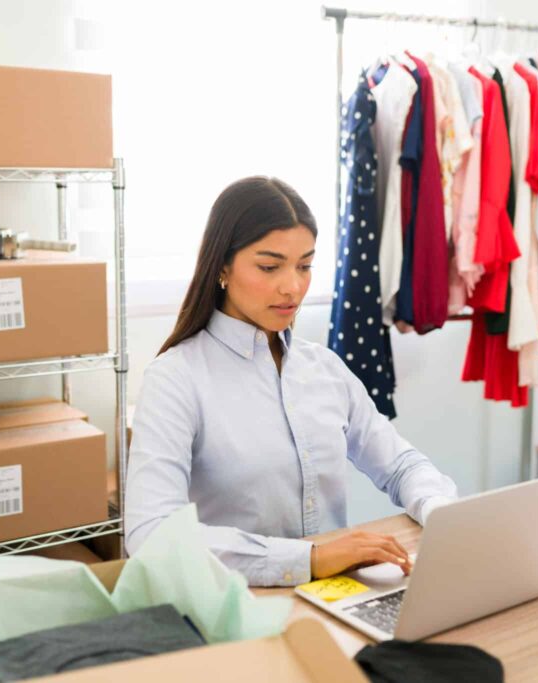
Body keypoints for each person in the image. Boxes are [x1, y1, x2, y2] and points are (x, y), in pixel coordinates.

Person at [125, 176, 458, 587]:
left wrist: (439, 509)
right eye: (269, 266)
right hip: (237, 606)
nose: (292, 287)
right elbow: (149, 533)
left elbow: (399, 464)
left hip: (336, 598)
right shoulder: (176, 379)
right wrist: (309, 558)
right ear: (223, 267)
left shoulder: (324, 368)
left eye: (304, 265)